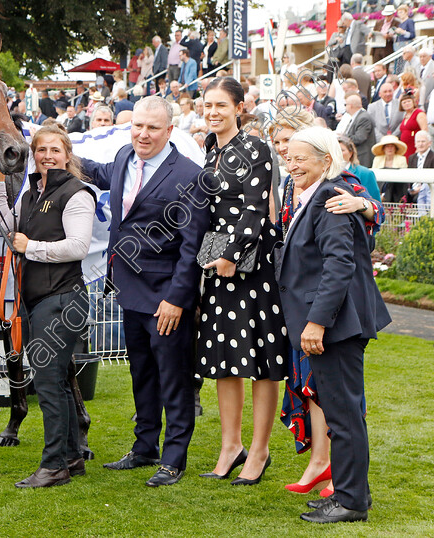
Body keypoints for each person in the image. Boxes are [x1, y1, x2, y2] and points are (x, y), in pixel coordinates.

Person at [81, 96, 209, 488]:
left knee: (174, 378)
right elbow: (100, 173)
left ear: (169, 131)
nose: (143, 134)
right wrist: (56, 154)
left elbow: (192, 249)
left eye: (153, 128)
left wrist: (176, 300)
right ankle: (144, 447)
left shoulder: (189, 175)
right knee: (143, 375)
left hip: (167, 296)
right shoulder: (123, 156)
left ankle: (174, 458)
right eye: (138, 126)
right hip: (128, 289)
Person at [278, 127, 391, 523]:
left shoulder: (329, 196)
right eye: (288, 157)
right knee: (341, 415)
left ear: (326, 160)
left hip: (336, 326)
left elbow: (338, 265)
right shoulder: (312, 194)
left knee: (343, 416)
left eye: (300, 158)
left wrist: (316, 323)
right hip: (334, 324)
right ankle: (348, 493)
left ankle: (352, 502)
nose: (291, 164)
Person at [0, 123, 95, 488]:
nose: (47, 156)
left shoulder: (77, 193)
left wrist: (30, 248)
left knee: (49, 385)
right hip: (41, 300)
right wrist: (0, 182)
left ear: (67, 155)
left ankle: (53, 466)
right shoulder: (33, 193)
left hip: (63, 299)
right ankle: (71, 458)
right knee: (58, 384)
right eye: (41, 150)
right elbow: (8, 227)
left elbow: (77, 246)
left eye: (55, 150)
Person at [195, 77, 288, 486]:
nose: (212, 112)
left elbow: (255, 208)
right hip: (216, 264)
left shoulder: (255, 148)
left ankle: (260, 449)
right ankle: (231, 446)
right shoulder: (209, 150)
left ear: (239, 106)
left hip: (252, 267)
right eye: (207, 105)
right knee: (224, 360)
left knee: (262, 363)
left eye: (220, 105)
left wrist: (232, 255)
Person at [337, 135, 380, 201]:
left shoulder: (365, 173)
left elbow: (376, 203)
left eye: (342, 150)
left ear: (351, 153)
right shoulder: (328, 173)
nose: (338, 153)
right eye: (335, 150)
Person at [339, 94, 375, 168]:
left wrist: (343, 137)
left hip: (362, 157)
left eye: (346, 104)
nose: (345, 107)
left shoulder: (363, 118)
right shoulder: (357, 117)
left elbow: (359, 138)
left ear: (351, 105)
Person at [398, 91, 427, 157]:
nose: (407, 104)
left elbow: (424, 130)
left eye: (409, 101)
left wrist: (419, 147)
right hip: (406, 148)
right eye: (404, 102)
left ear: (413, 102)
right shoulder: (405, 115)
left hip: (415, 147)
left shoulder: (419, 113)